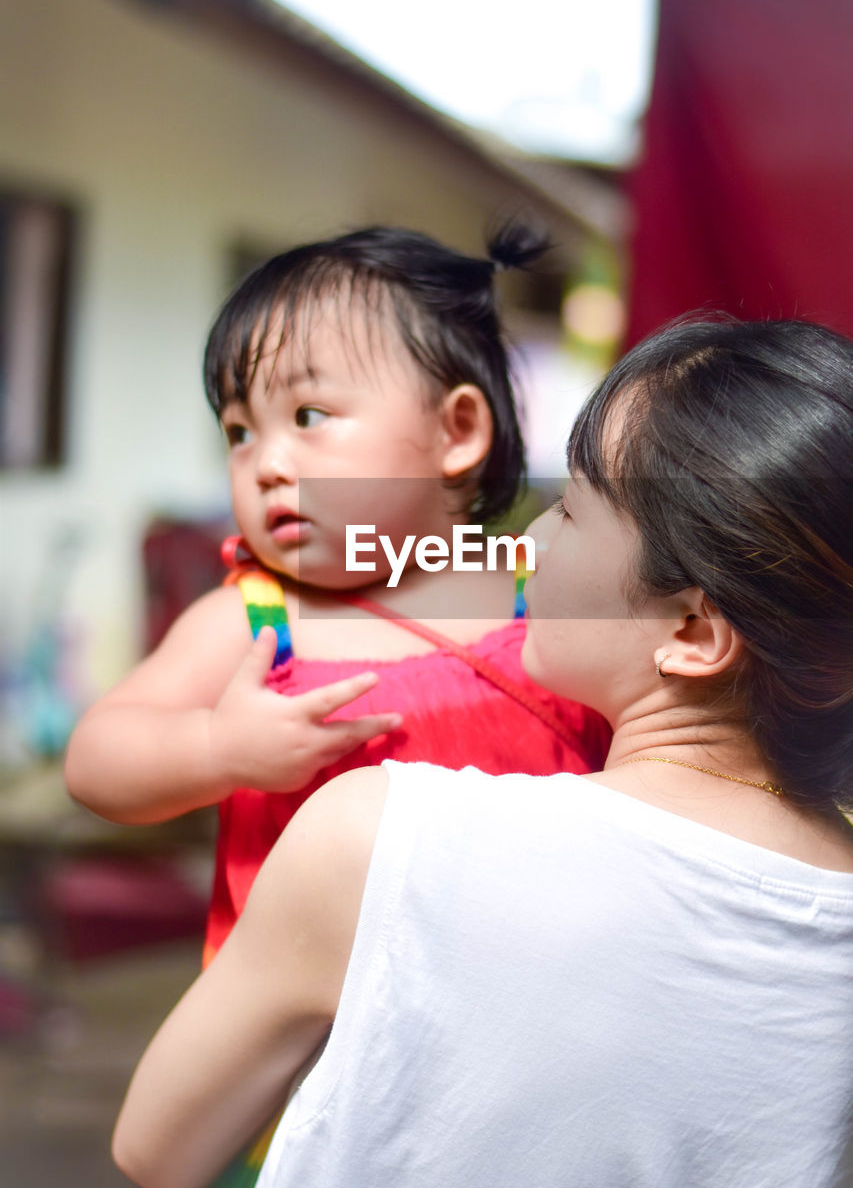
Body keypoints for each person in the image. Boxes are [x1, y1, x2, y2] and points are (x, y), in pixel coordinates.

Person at [112, 316, 853, 1188]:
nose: (529, 543)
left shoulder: (381, 842)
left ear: (691, 629)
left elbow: (154, 1148)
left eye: (573, 508)